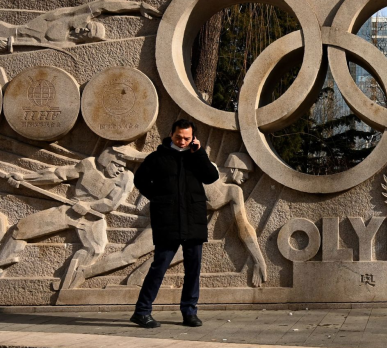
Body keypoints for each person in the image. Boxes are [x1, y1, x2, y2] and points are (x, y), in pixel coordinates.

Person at [71, 152, 268, 289]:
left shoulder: (232, 191)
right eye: (245, 172)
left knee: (184, 251)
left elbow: (244, 226)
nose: (246, 177)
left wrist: (259, 260)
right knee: (130, 254)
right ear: (234, 167)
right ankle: (84, 273)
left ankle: (136, 280)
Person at [130, 119, 219, 329]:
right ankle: (142, 311)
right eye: (179, 136)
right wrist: (159, 199)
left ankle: (189, 312)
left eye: (187, 138)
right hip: (168, 221)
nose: (182, 141)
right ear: (171, 133)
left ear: (193, 138)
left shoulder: (195, 156)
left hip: (193, 220)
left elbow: (211, 177)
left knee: (193, 269)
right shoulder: (157, 158)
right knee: (159, 266)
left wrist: (199, 153)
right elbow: (139, 181)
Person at [0, 148, 133, 283]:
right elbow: (58, 174)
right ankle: (2, 263)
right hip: (71, 210)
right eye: (117, 165)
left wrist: (89, 206)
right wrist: (25, 178)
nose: (121, 169)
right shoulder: (88, 165)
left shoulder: (126, 178)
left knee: (95, 249)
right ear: (106, 161)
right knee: (21, 229)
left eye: (123, 166)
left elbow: (111, 203)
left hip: (93, 217)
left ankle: (70, 282)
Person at [0, 0, 160, 53]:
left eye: (88, 34)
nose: (84, 29)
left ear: (87, 41)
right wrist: (138, 5)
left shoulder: (69, 45)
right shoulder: (68, 17)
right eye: (89, 26)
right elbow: (103, 4)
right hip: (7, 31)